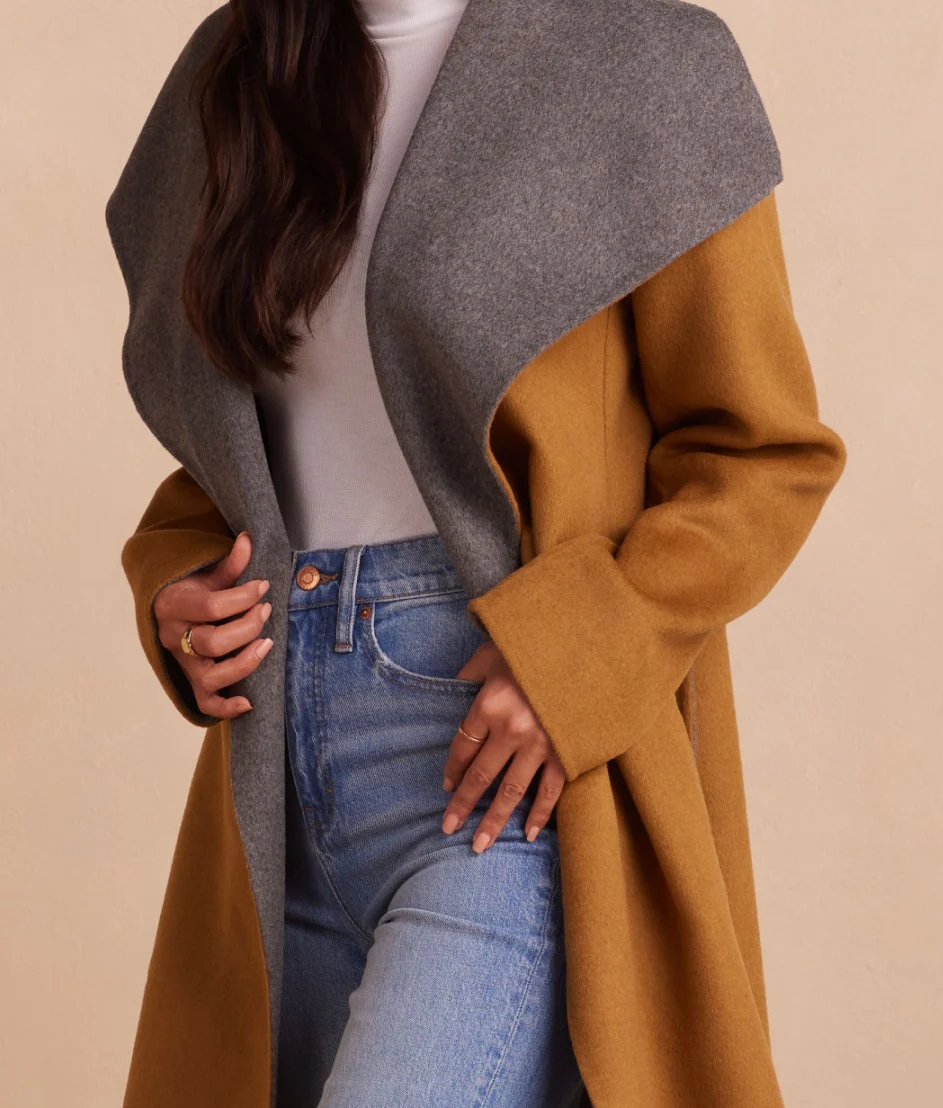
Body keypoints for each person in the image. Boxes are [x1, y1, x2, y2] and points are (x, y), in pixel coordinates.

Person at [106, 2, 848, 1106]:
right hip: (273, 768)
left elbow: (761, 452)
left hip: (498, 762)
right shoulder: (236, 65)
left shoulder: (637, 61)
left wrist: (574, 657)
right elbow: (232, 455)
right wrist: (175, 579)